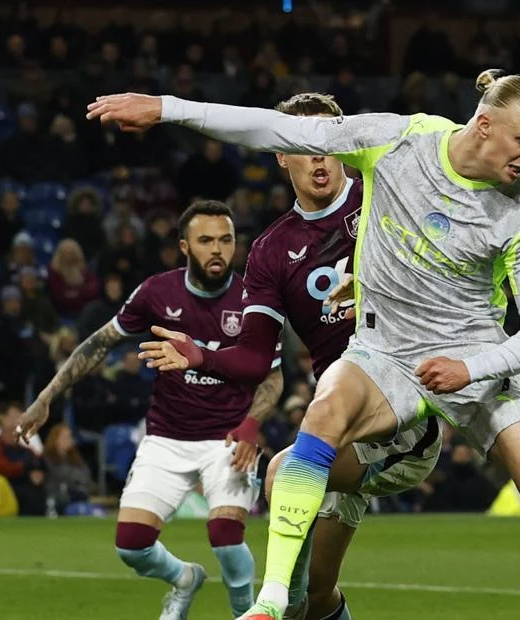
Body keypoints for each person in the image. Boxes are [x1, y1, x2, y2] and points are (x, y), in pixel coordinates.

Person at [89, 69, 520, 620]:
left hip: (474, 364)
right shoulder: (399, 140)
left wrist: (471, 366)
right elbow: (278, 129)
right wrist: (167, 108)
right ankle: (273, 600)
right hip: (385, 354)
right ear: (484, 126)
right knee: (322, 413)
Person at [166, 92, 442, 620]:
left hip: (403, 416)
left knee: (280, 474)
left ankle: (278, 606)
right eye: (304, 143)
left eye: (329, 141)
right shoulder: (271, 250)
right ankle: (299, 605)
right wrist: (201, 355)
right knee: (320, 595)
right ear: (281, 154)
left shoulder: (385, 197)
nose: (320, 154)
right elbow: (254, 359)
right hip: (336, 425)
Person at [15, 201, 277, 620]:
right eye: (205, 240)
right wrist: (46, 397)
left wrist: (252, 423)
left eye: (225, 240)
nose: (217, 249)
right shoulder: (157, 292)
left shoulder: (254, 301)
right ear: (184, 246)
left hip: (227, 438)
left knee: (226, 536)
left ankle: (245, 613)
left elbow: (273, 376)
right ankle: (184, 578)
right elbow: (99, 343)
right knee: (132, 546)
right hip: (166, 436)